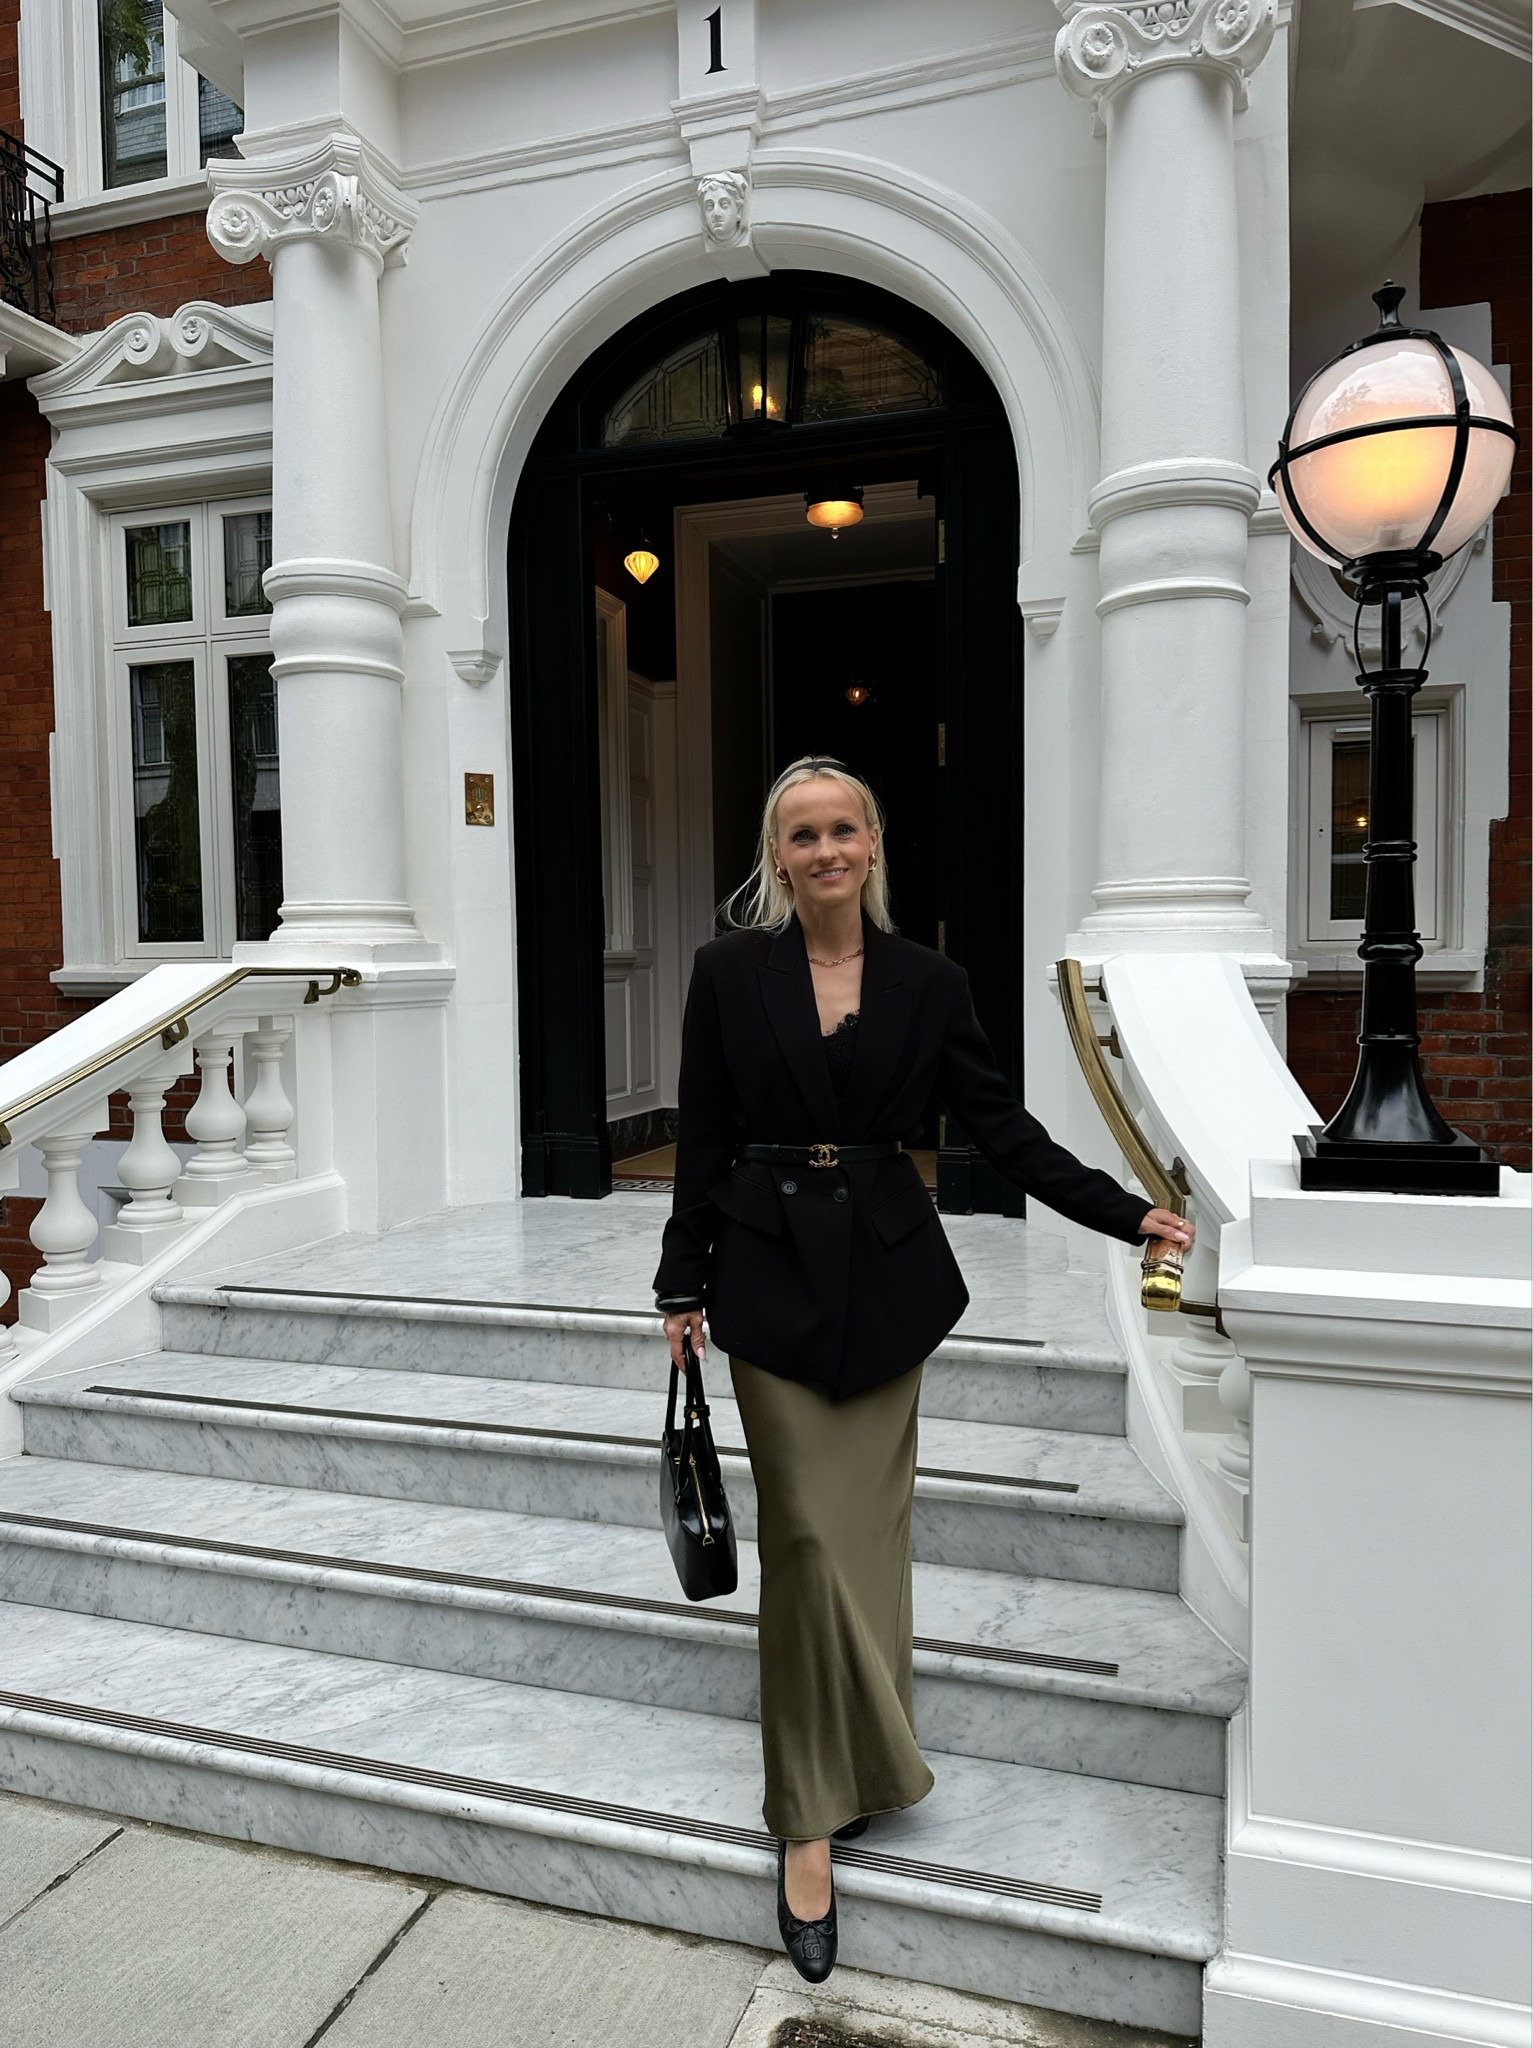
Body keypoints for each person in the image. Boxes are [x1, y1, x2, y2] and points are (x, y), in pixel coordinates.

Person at [653, 756, 1193, 1983]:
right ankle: (807, 1811)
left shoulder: (930, 981)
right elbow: (705, 1131)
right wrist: (680, 1283)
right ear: (776, 855)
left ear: (874, 843)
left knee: (869, 1538)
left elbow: (1002, 1130)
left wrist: (1129, 1213)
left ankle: (861, 1765)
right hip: (769, 1276)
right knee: (803, 1540)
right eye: (804, 832)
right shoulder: (727, 972)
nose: (827, 848)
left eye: (845, 827)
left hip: (887, 1284)